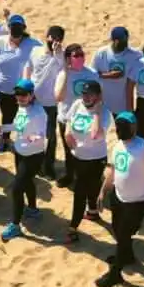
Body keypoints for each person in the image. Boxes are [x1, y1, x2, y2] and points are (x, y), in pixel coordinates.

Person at [94, 112, 144, 287]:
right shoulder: (117, 146)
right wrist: (102, 192)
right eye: (118, 126)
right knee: (117, 229)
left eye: (125, 126)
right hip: (119, 196)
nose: (121, 129)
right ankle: (127, 255)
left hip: (140, 200)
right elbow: (112, 171)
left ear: (134, 127)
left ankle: (115, 273)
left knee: (124, 233)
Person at [62, 81, 110, 243]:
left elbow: (96, 134)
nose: (86, 97)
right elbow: (68, 120)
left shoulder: (104, 112)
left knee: (80, 190)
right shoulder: (77, 104)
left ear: (98, 96)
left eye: (90, 94)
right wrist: (68, 133)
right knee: (90, 186)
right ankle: (93, 212)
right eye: (84, 93)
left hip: (96, 158)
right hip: (78, 155)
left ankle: (73, 227)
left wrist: (96, 112)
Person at [1, 79, 49, 242]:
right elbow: (18, 126)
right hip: (20, 152)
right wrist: (3, 129)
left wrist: (27, 138)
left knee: (16, 189)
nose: (19, 97)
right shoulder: (21, 108)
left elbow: (41, 137)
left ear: (31, 95)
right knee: (27, 182)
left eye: (23, 94)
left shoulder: (39, 113)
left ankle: (15, 225)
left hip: (33, 156)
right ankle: (33, 210)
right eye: (17, 94)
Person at [0, 14, 41, 153]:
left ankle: (15, 141)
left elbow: (45, 53)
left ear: (24, 28)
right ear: (8, 27)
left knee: (18, 117)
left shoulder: (32, 44)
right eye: (13, 26)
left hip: (21, 90)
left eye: (19, 27)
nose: (15, 29)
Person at [54, 43, 102, 188]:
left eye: (82, 55)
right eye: (76, 56)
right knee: (69, 150)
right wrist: (67, 74)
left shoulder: (91, 73)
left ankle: (83, 177)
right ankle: (69, 175)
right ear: (68, 58)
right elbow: (59, 97)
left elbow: (99, 96)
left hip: (85, 118)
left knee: (84, 149)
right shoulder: (62, 74)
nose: (80, 58)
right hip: (66, 118)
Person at [25, 25, 65, 179]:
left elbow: (63, 72)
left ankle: (48, 166)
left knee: (50, 137)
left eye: (58, 39)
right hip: (34, 101)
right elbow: (28, 68)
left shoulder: (61, 56)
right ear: (46, 36)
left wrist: (58, 54)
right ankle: (36, 164)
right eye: (52, 37)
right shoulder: (35, 51)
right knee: (34, 133)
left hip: (50, 104)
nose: (54, 41)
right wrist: (26, 87)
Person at [92, 26, 142, 119]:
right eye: (121, 41)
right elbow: (93, 75)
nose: (124, 44)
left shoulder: (135, 55)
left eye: (125, 41)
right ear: (113, 40)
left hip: (122, 104)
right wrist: (109, 75)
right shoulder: (101, 53)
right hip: (103, 103)